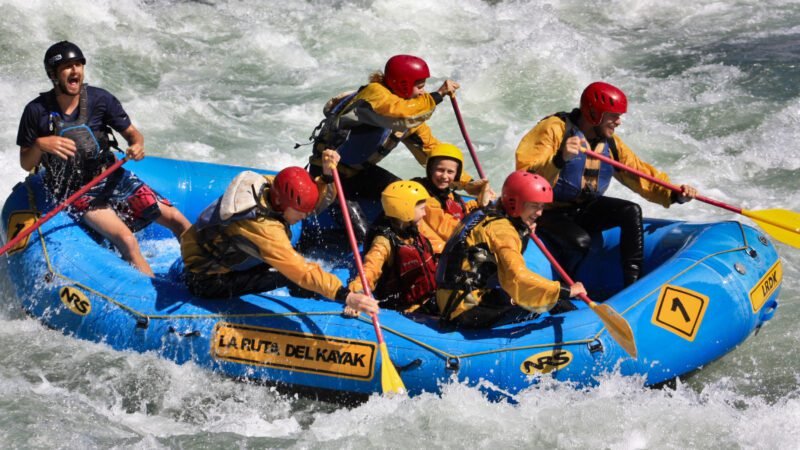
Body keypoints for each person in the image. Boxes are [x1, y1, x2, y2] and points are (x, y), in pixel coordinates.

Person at [16, 41, 190, 277]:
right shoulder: (36, 111)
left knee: (177, 219)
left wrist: (137, 145)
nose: (75, 71)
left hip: (111, 177)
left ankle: (204, 274)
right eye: (67, 67)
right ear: (53, 74)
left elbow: (133, 134)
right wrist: (40, 144)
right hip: (77, 191)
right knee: (127, 240)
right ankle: (149, 292)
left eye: (78, 65)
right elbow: (26, 163)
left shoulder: (100, 99)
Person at [515, 81, 698, 286]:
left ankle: (633, 284)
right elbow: (525, 176)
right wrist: (560, 159)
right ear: (594, 114)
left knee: (631, 211)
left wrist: (675, 194)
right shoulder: (554, 129)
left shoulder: (610, 143)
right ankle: (564, 287)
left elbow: (639, 175)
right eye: (613, 116)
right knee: (580, 242)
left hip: (583, 208)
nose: (618, 122)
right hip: (546, 211)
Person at [180, 150, 379, 316]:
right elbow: (299, 270)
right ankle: (312, 306)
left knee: (292, 261)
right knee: (288, 274)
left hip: (216, 256)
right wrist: (345, 295)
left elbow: (309, 201)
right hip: (207, 281)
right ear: (282, 204)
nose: (305, 216)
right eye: (300, 212)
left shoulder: (269, 187)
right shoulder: (262, 227)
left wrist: (326, 177)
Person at [307, 54, 481, 201]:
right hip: (328, 174)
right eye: (420, 87)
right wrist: (439, 94)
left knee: (409, 197)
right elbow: (401, 113)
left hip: (358, 175)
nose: (422, 92)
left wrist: (467, 183)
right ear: (402, 84)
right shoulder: (375, 94)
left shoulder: (408, 119)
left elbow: (433, 153)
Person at [435, 171, 586, 329]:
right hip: (466, 310)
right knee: (547, 299)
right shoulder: (503, 231)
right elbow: (517, 277)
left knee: (540, 295)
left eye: (542, 206)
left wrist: (524, 233)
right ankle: (578, 327)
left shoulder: (488, 213)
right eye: (534, 206)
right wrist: (565, 290)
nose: (540, 213)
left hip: (451, 299)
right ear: (515, 204)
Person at [347, 180, 438, 314]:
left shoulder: (412, 228)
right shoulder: (383, 242)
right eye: (422, 209)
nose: (425, 213)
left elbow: (437, 246)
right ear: (406, 210)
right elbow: (370, 270)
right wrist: (357, 295)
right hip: (406, 305)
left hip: (429, 294)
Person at [412, 142, 495, 253]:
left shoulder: (447, 194)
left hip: (452, 243)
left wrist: (480, 202)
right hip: (439, 253)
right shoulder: (425, 197)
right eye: (440, 170)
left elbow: (461, 210)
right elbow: (448, 230)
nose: (444, 176)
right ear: (430, 169)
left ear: (457, 174)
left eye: (450, 172)